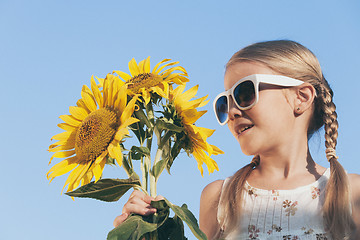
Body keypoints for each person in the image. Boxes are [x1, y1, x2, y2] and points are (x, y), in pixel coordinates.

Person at [113, 40, 360, 239]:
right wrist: (151, 232)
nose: (232, 111)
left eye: (244, 93)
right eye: (224, 102)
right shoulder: (219, 198)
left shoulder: (349, 193)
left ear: (301, 97)